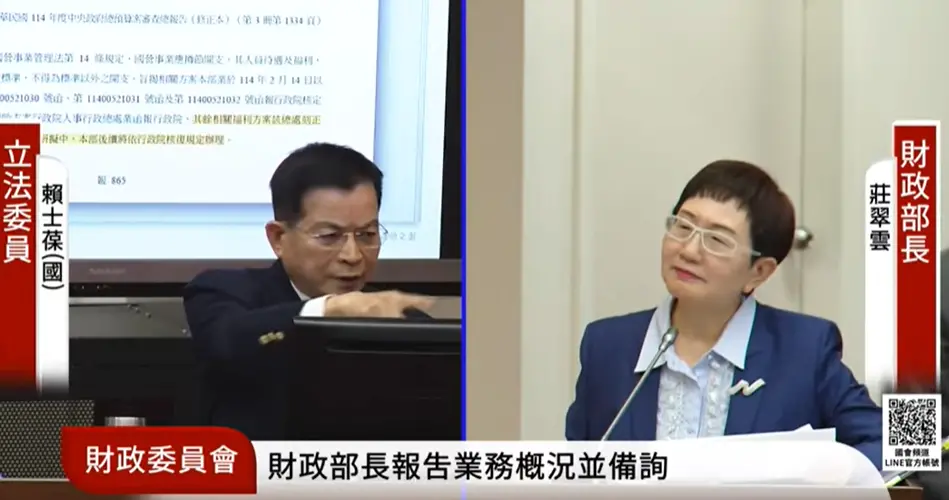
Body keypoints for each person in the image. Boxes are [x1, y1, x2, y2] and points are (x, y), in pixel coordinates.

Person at [564, 160, 883, 469]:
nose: (688, 250)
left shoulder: (804, 349)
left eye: (717, 240)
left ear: (759, 272)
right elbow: (574, 469)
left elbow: (900, 444)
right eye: (683, 226)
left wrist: (821, 477)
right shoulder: (607, 346)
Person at [183, 142, 434, 439]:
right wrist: (327, 310)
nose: (353, 255)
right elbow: (225, 343)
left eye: (367, 234)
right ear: (278, 238)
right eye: (330, 236)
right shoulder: (224, 292)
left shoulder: (400, 320)